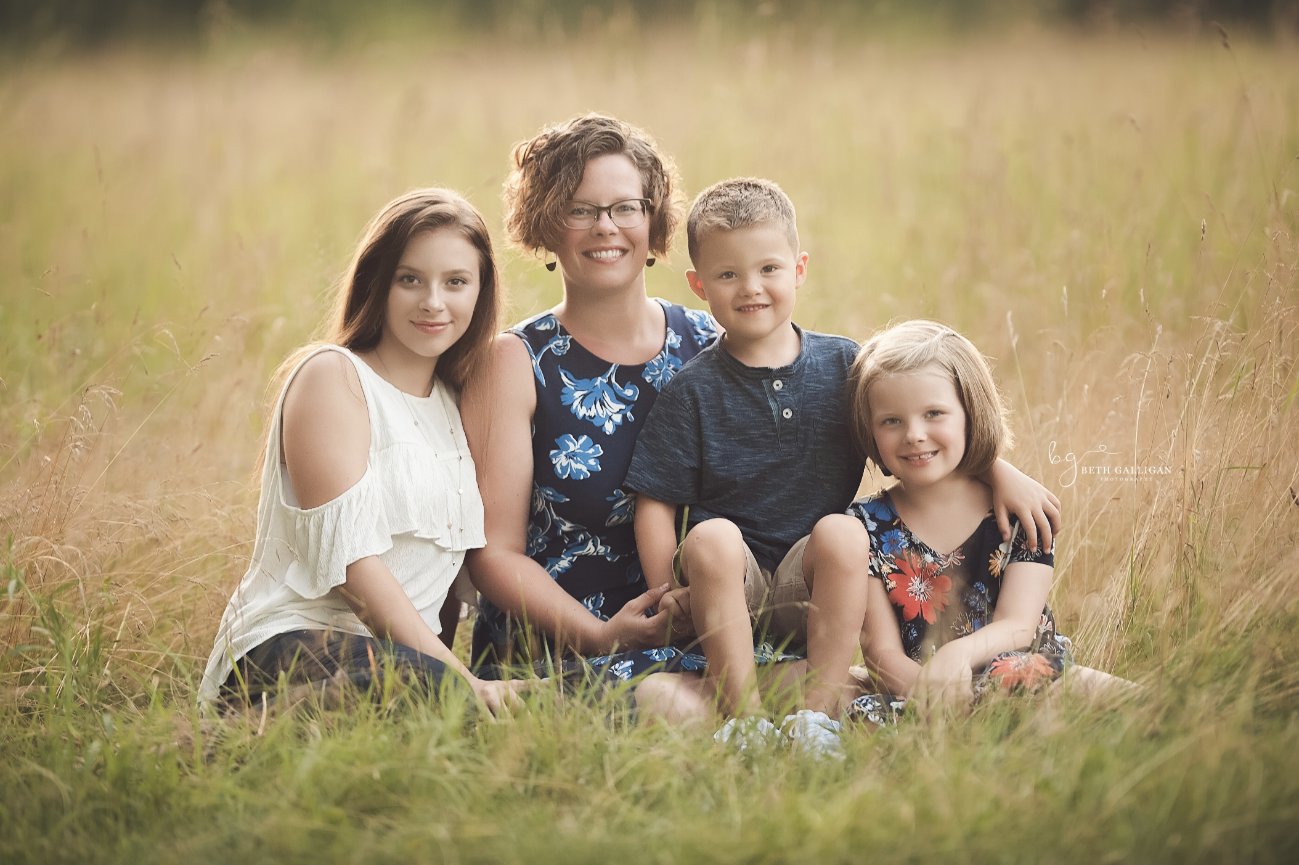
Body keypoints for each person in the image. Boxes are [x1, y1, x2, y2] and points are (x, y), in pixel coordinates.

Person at [625, 180, 1065, 754]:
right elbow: (655, 502)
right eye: (728, 274)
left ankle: (817, 717)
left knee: (841, 531)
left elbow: (910, 429)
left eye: (768, 269)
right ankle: (744, 723)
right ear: (699, 285)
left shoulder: (844, 366)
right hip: (728, 582)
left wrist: (997, 468)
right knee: (713, 539)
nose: (751, 287)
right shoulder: (693, 390)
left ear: (799, 269)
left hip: (814, 577)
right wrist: (666, 593)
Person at [198, 188, 526, 716]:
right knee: (435, 691)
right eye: (410, 279)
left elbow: (439, 588)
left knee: (501, 700)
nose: (433, 302)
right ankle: (238, 734)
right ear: (377, 282)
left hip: (405, 662)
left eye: (456, 282)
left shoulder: (457, 405)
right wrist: (463, 682)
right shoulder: (334, 377)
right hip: (291, 648)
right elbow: (354, 568)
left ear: (480, 292)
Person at [461, 113, 718, 712]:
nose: (606, 226)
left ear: (653, 219)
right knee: (678, 710)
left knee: (822, 685)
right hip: (561, 647)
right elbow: (493, 555)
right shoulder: (514, 362)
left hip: (704, 636)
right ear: (546, 225)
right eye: (580, 210)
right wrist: (603, 636)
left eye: (626, 207)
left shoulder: (709, 342)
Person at [845, 319, 1132, 724]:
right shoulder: (864, 526)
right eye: (891, 420)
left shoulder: (1017, 510)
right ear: (870, 430)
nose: (914, 434)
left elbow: (1018, 624)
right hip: (920, 692)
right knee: (861, 715)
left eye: (934, 413)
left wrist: (957, 654)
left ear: (970, 414)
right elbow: (881, 654)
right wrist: (938, 700)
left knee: (1086, 689)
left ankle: (1174, 715)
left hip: (1023, 676)